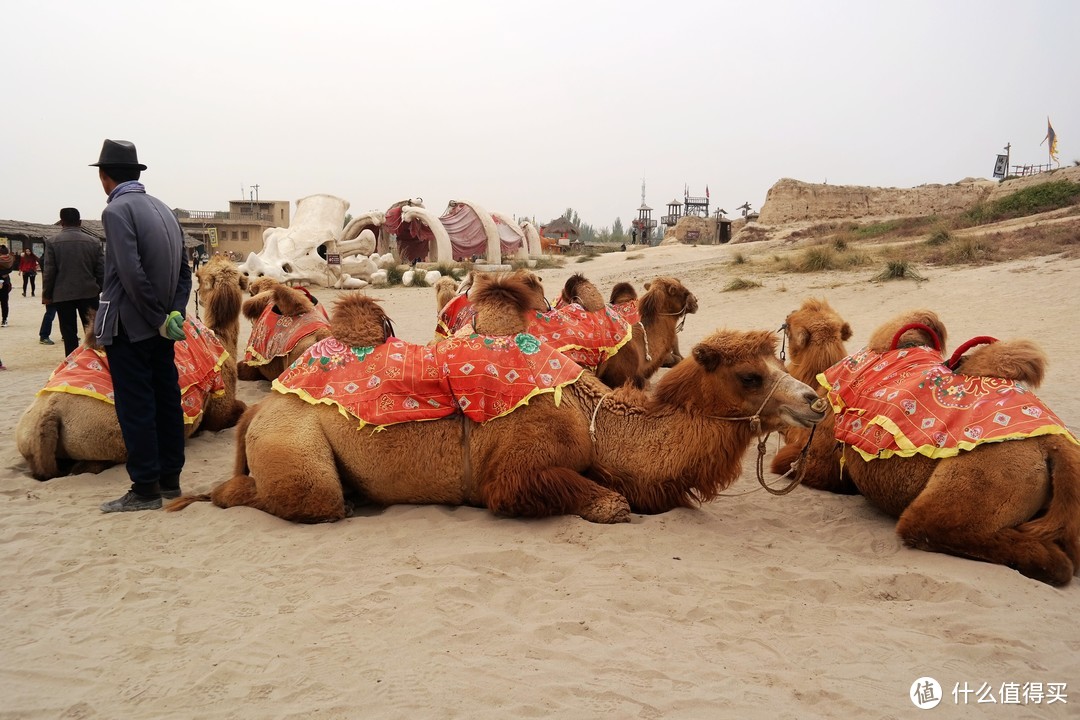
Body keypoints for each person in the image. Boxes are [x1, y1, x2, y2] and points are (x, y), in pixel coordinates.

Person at [91, 139, 192, 512]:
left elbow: (130, 273)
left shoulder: (117, 211)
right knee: (167, 400)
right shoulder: (164, 210)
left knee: (136, 406)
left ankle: (145, 488)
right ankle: (170, 480)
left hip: (130, 327)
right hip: (162, 327)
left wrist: (154, 317)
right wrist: (172, 314)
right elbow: (184, 272)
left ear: (105, 176)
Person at [43, 207, 104, 356]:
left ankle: (72, 362)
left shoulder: (52, 242)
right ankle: (93, 362)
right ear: (80, 222)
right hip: (89, 293)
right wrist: (99, 288)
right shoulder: (94, 242)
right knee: (92, 331)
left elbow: (49, 272)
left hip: (63, 295)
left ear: (61, 222)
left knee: (69, 332)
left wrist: (47, 295)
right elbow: (102, 270)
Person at [0, 244, 12, 327]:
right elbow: (10, 270)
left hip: (4, 283)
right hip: (6, 282)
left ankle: (4, 319)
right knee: (4, 302)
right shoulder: (10, 259)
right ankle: (4, 319)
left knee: (4, 302)